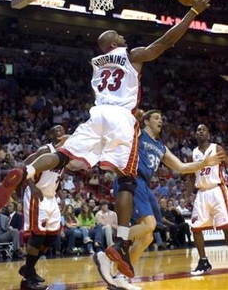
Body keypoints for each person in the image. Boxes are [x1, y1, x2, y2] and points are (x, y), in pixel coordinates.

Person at [0, 0, 213, 283]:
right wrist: (193, 13)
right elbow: (166, 41)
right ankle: (121, 242)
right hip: (121, 118)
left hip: (96, 115)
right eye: (119, 37)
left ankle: (26, 169)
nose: (124, 38)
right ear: (112, 44)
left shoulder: (96, 66)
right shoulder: (131, 55)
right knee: (128, 179)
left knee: (62, 155)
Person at [96, 109, 225, 290]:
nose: (160, 121)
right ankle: (109, 251)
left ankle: (119, 277)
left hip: (145, 186)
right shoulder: (138, 134)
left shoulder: (161, 147)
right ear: (146, 121)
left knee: (148, 236)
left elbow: (181, 167)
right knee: (148, 225)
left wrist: (204, 163)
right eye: (156, 118)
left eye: (161, 118)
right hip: (131, 180)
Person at [18, 125, 66, 290]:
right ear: (51, 134)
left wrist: (63, 198)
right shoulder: (45, 149)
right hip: (36, 195)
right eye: (57, 130)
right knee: (37, 236)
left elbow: (57, 178)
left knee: (52, 236)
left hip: (51, 197)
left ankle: (28, 269)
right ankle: (27, 280)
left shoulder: (65, 154)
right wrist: (32, 187)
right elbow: (23, 167)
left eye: (62, 130)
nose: (61, 132)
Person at [189, 124, 228, 276]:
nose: (200, 132)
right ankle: (203, 261)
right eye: (198, 130)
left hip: (217, 189)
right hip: (201, 192)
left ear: (208, 133)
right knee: (196, 228)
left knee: (226, 227)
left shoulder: (217, 148)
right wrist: (187, 194)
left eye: (203, 129)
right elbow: (191, 176)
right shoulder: (193, 153)